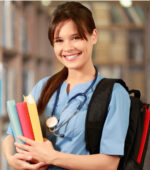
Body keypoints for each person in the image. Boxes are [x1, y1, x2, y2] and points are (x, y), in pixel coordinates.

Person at [3, 1, 130, 170]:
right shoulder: (44, 86)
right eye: (59, 40)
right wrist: (11, 159)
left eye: (76, 37)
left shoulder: (114, 93)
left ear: (94, 36)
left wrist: (53, 157)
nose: (67, 48)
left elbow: (109, 164)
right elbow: (11, 134)